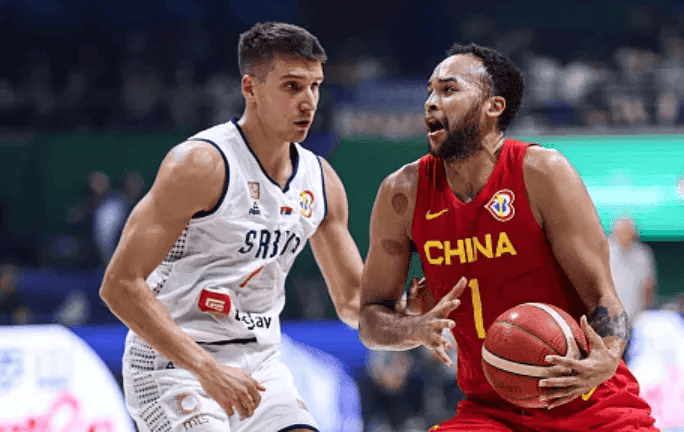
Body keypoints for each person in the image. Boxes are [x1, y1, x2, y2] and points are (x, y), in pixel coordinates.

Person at [358, 43, 658, 431]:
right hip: (491, 411)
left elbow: (603, 299)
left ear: (493, 107)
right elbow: (371, 318)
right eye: (430, 91)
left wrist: (608, 356)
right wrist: (413, 328)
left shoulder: (542, 172)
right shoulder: (403, 193)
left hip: (587, 400)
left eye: (448, 90)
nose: (431, 102)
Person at [100, 22, 366, 432]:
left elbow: (354, 304)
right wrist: (207, 369)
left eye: (315, 86)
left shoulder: (321, 181)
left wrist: (410, 322)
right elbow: (119, 285)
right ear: (250, 88)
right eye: (292, 87)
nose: (308, 102)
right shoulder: (199, 164)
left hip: (259, 365)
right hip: (173, 365)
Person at [608, 217, 657, 328]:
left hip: (636, 317)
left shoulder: (642, 254)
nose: (625, 236)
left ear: (634, 234)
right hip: (610, 316)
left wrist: (645, 311)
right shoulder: (607, 252)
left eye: (628, 232)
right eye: (622, 232)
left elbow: (648, 285)